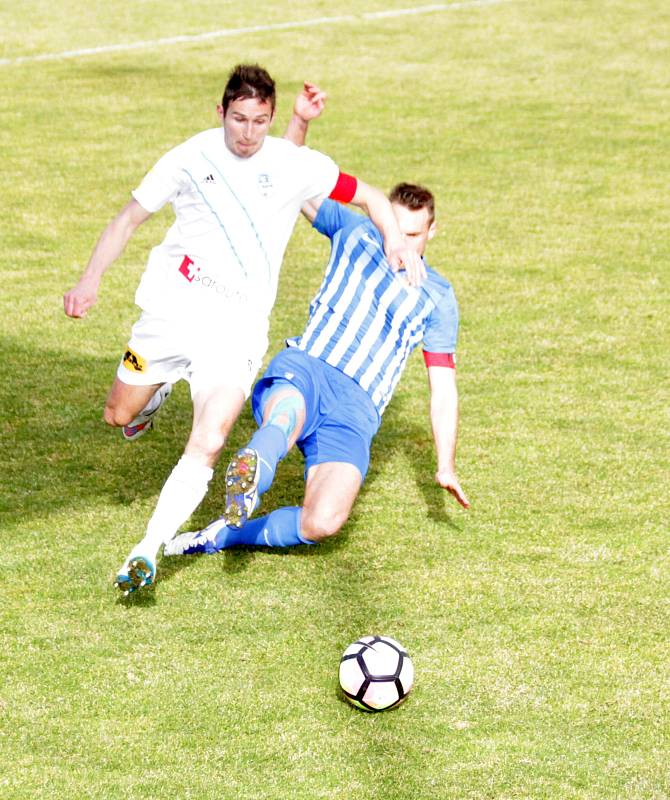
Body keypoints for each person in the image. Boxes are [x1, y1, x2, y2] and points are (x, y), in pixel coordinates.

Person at [63, 64, 423, 595]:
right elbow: (127, 219)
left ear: (270, 117)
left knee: (210, 440)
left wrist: (393, 236)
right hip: (172, 315)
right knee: (119, 413)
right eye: (238, 119)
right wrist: (89, 280)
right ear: (220, 113)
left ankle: (148, 548)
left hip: (236, 332)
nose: (248, 133)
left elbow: (368, 194)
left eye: (259, 121)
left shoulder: (292, 163)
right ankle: (157, 393)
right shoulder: (189, 157)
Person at [165, 179, 469, 560]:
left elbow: (443, 389)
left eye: (413, 234)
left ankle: (223, 535)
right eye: (394, 228)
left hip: (356, 413)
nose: (403, 244)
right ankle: (252, 474)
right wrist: (301, 122)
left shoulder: (438, 297)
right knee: (285, 419)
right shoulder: (354, 230)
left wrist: (445, 466)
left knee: (323, 521)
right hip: (309, 368)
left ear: (431, 231)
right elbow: (292, 178)